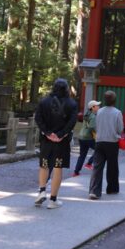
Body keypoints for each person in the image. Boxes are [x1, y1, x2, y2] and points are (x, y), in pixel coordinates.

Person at [34, 78, 78, 209]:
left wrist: (47, 133)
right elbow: (72, 122)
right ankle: (53, 200)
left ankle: (42, 190)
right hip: (62, 141)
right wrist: (60, 134)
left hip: (46, 140)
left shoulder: (44, 102)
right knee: (58, 168)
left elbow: (38, 118)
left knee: (44, 165)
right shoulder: (71, 104)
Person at [88, 90, 123, 200]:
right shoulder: (117, 112)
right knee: (112, 166)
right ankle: (112, 188)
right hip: (112, 141)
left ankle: (94, 190)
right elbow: (120, 128)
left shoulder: (99, 111)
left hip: (99, 140)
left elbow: (96, 125)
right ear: (114, 100)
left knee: (97, 166)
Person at [73, 100, 100, 176]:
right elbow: (92, 127)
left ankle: (76, 172)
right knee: (99, 149)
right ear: (93, 107)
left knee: (82, 155)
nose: (99, 107)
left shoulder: (87, 114)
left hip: (81, 136)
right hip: (88, 137)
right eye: (97, 105)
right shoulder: (93, 116)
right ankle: (89, 163)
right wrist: (98, 133)